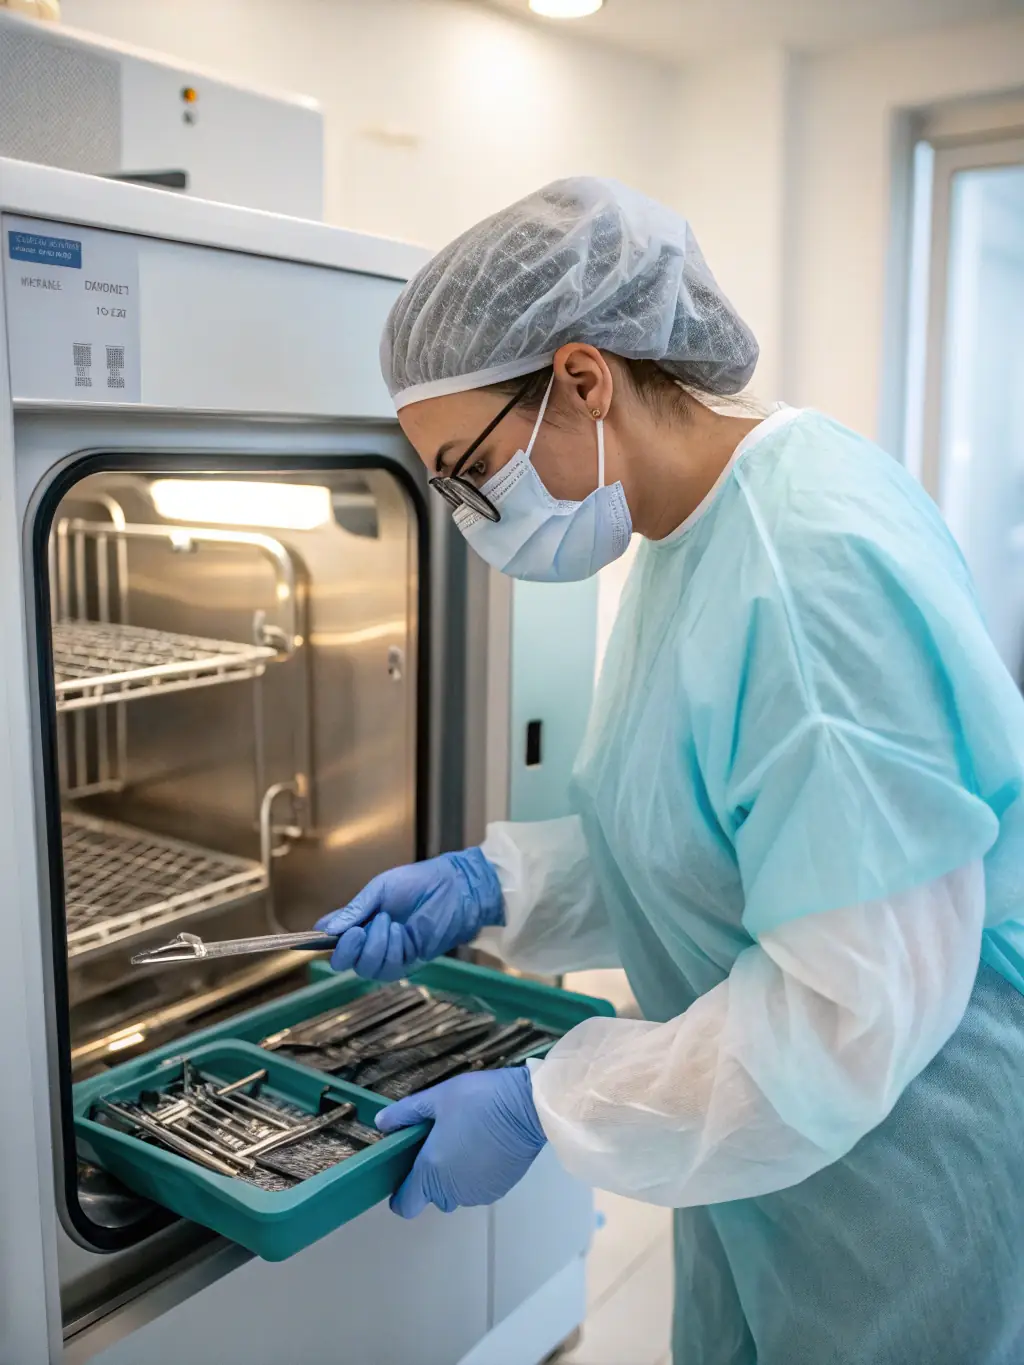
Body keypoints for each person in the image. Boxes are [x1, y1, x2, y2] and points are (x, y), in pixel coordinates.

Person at [316, 178, 1024, 1364]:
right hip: (779, 1159)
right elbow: (714, 829)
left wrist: (549, 1103)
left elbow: (847, 1011)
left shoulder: (810, 570)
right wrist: (499, 886)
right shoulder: (687, 532)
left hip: (904, 1170)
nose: (466, 511)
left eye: (466, 469)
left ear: (583, 380)